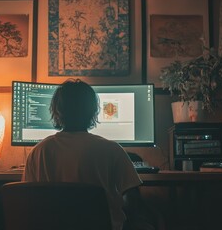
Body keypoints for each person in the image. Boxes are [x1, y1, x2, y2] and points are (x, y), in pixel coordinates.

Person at [22, 79, 155, 230]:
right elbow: (132, 202)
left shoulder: (38, 152)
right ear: (93, 111)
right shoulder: (112, 149)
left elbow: (28, 200)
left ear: (56, 111)